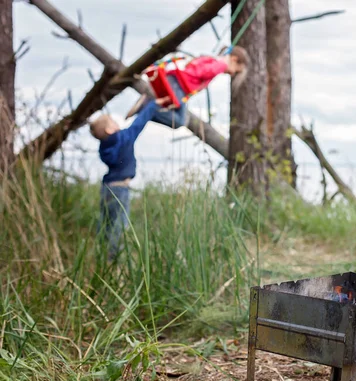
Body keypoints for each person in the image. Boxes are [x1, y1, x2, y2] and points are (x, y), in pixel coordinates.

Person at [90, 96, 169, 260]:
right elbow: (138, 124)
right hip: (120, 189)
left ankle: (100, 253)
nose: (116, 124)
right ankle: (113, 259)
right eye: (113, 123)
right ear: (109, 130)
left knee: (105, 222)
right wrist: (153, 105)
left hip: (107, 187)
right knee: (119, 225)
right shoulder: (123, 139)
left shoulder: (104, 147)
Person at [126, 46, 250, 129]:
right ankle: (146, 107)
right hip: (179, 85)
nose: (232, 73)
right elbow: (202, 72)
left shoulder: (213, 59)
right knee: (180, 121)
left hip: (176, 81)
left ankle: (147, 107)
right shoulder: (220, 65)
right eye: (235, 70)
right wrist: (217, 70)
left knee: (179, 118)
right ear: (234, 59)